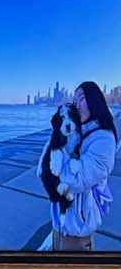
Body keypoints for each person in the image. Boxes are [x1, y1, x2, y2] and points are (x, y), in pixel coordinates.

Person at [48, 81, 118, 252]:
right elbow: (47, 169)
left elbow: (76, 181)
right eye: (74, 101)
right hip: (60, 224)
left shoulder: (103, 139)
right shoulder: (77, 132)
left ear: (95, 101)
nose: (76, 105)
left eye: (81, 99)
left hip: (77, 230)